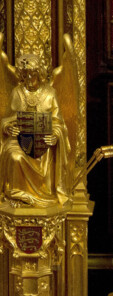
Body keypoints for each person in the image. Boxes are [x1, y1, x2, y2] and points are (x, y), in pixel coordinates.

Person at [0, 53, 72, 206]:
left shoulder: (49, 94)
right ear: (21, 76)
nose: (30, 80)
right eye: (26, 76)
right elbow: (7, 119)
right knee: (15, 157)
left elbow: (58, 122)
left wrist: (55, 135)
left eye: (33, 76)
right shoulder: (17, 93)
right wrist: (8, 128)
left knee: (44, 155)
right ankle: (17, 195)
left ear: (40, 74)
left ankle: (44, 194)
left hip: (42, 142)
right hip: (19, 140)